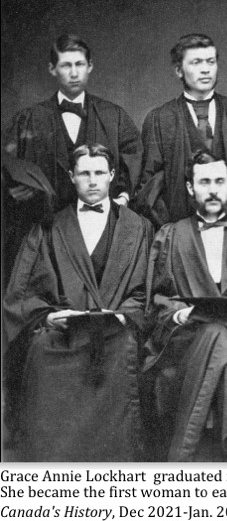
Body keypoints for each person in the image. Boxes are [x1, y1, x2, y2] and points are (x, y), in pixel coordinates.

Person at [3, 143, 153, 461]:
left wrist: (124, 316)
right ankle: (54, 460)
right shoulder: (50, 226)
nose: (93, 181)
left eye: (99, 172)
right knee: (42, 350)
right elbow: (24, 293)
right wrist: (46, 317)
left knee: (123, 349)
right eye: (84, 173)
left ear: (112, 175)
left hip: (115, 330)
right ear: (72, 177)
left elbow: (145, 292)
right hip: (64, 329)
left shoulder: (138, 228)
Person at [144, 149, 227, 462]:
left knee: (219, 331)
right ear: (190, 188)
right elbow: (156, 301)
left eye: (219, 181)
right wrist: (181, 314)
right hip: (185, 340)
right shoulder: (170, 236)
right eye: (204, 182)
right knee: (215, 332)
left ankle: (182, 455)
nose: (213, 190)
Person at [2, 34, 142, 278]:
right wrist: (14, 192)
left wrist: (123, 197)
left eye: (79, 64)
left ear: (90, 66)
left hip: (100, 237)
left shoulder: (114, 117)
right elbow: (8, 169)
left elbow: (136, 163)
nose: (74, 73)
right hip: (44, 238)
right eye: (66, 65)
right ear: (52, 69)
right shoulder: (28, 119)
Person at [135, 33, 227, 244]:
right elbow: (150, 191)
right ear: (178, 70)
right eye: (196, 62)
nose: (205, 69)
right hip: (182, 244)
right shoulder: (161, 119)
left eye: (210, 61)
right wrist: (173, 238)